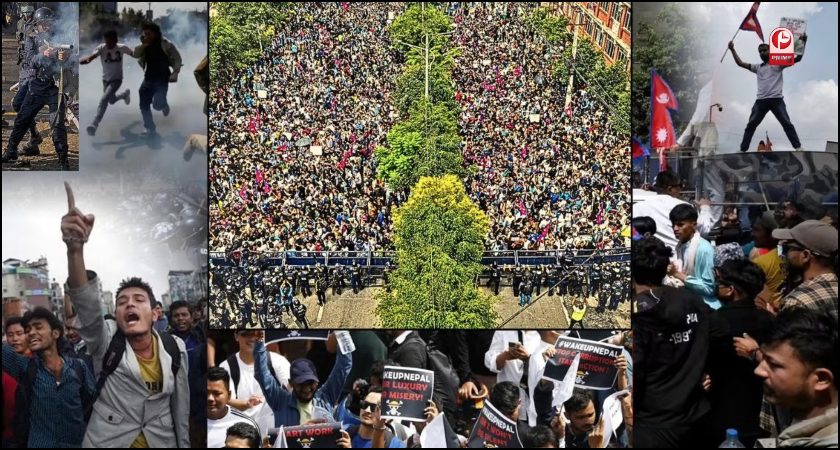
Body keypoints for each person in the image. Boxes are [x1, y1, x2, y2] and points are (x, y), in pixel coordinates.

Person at [60, 182, 191, 447]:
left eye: (138, 299)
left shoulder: (174, 348)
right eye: (122, 301)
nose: (129, 304)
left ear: (155, 313)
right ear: (116, 313)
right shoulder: (106, 341)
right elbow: (87, 306)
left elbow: (181, 410)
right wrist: (75, 249)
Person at [632, 237, 712, 448]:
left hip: (654, 423)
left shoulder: (639, 313)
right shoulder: (692, 300)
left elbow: (635, 372)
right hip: (696, 417)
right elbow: (720, 333)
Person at [2, 307, 95, 447]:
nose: (31, 333)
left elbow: (94, 407)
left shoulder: (78, 368)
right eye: (27, 330)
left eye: (38, 327)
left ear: (55, 333)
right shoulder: (26, 368)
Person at [706, 260, 774, 448]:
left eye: (719, 283)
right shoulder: (768, 320)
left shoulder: (715, 321)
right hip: (759, 414)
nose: (716, 286)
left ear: (731, 289)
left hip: (721, 414)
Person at [753, 308, 837, 447]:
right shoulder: (795, 408)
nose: (758, 370)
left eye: (773, 364)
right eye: (763, 358)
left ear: (821, 379)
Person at [2, 7, 72, 169]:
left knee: (57, 124)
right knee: (22, 119)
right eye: (43, 23)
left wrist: (64, 57)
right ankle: (11, 150)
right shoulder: (32, 37)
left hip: (55, 87)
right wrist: (44, 55)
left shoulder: (58, 37)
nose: (47, 26)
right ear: (38, 23)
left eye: (49, 23)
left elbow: (70, 62)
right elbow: (29, 60)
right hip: (37, 85)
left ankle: (63, 160)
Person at [252, 331, 351, 426]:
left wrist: (342, 334)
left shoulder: (325, 398)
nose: (307, 388)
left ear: (317, 381)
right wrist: (259, 342)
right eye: (301, 384)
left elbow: (344, 366)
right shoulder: (280, 401)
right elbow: (261, 373)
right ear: (291, 383)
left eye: (310, 383)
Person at [728, 38, 806, 152]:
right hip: (761, 102)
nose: (762, 53)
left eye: (764, 50)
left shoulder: (778, 63)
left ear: (771, 51)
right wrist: (732, 49)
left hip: (777, 100)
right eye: (760, 51)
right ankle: (743, 149)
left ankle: (798, 147)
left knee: (786, 123)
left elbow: (798, 58)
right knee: (751, 125)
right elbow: (740, 63)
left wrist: (803, 42)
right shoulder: (758, 67)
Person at [219, 330, 290, 438]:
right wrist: (247, 404)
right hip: (244, 436)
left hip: (275, 433)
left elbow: (291, 392)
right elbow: (226, 400)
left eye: (256, 334)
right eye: (246, 334)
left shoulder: (278, 361)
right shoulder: (226, 366)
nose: (252, 338)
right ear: (236, 336)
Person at [79, 29, 133, 136]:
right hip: (106, 80)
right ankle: (124, 95)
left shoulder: (122, 48)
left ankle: (94, 124)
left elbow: (134, 53)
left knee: (104, 99)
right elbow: (90, 58)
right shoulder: (101, 48)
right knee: (111, 100)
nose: (108, 45)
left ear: (116, 41)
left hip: (117, 80)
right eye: (107, 42)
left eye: (111, 42)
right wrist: (82, 61)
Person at [667, 204, 719, 309]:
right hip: (688, 303)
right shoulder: (681, 246)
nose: (675, 229)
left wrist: (677, 274)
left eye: (680, 225)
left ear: (694, 225)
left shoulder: (703, 249)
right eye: (673, 225)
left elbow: (709, 288)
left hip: (706, 307)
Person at [134, 22, 182, 137]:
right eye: (144, 34)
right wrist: (143, 45)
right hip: (149, 78)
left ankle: (164, 105)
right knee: (143, 103)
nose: (146, 36)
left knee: (157, 106)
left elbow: (177, 59)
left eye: (149, 34)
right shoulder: (145, 44)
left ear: (156, 34)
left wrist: (175, 74)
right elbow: (135, 54)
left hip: (162, 79)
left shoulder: (166, 44)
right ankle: (150, 128)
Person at [207, 367, 261, 448]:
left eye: (216, 393)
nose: (210, 398)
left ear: (228, 395)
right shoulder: (186, 423)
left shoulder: (247, 423)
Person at [340, 386, 406, 448]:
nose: (367, 410)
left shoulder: (395, 444)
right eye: (364, 404)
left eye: (374, 407)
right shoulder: (343, 432)